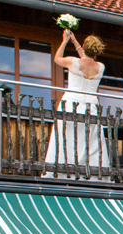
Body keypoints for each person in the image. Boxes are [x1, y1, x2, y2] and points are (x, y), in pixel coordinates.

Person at [43, 30, 108, 179]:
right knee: (90, 139)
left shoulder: (73, 62)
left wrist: (65, 41)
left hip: (72, 102)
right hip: (91, 105)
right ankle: (92, 174)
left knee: (66, 136)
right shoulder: (100, 67)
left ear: (85, 47)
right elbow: (86, 59)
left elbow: (57, 58)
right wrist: (75, 41)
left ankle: (60, 172)